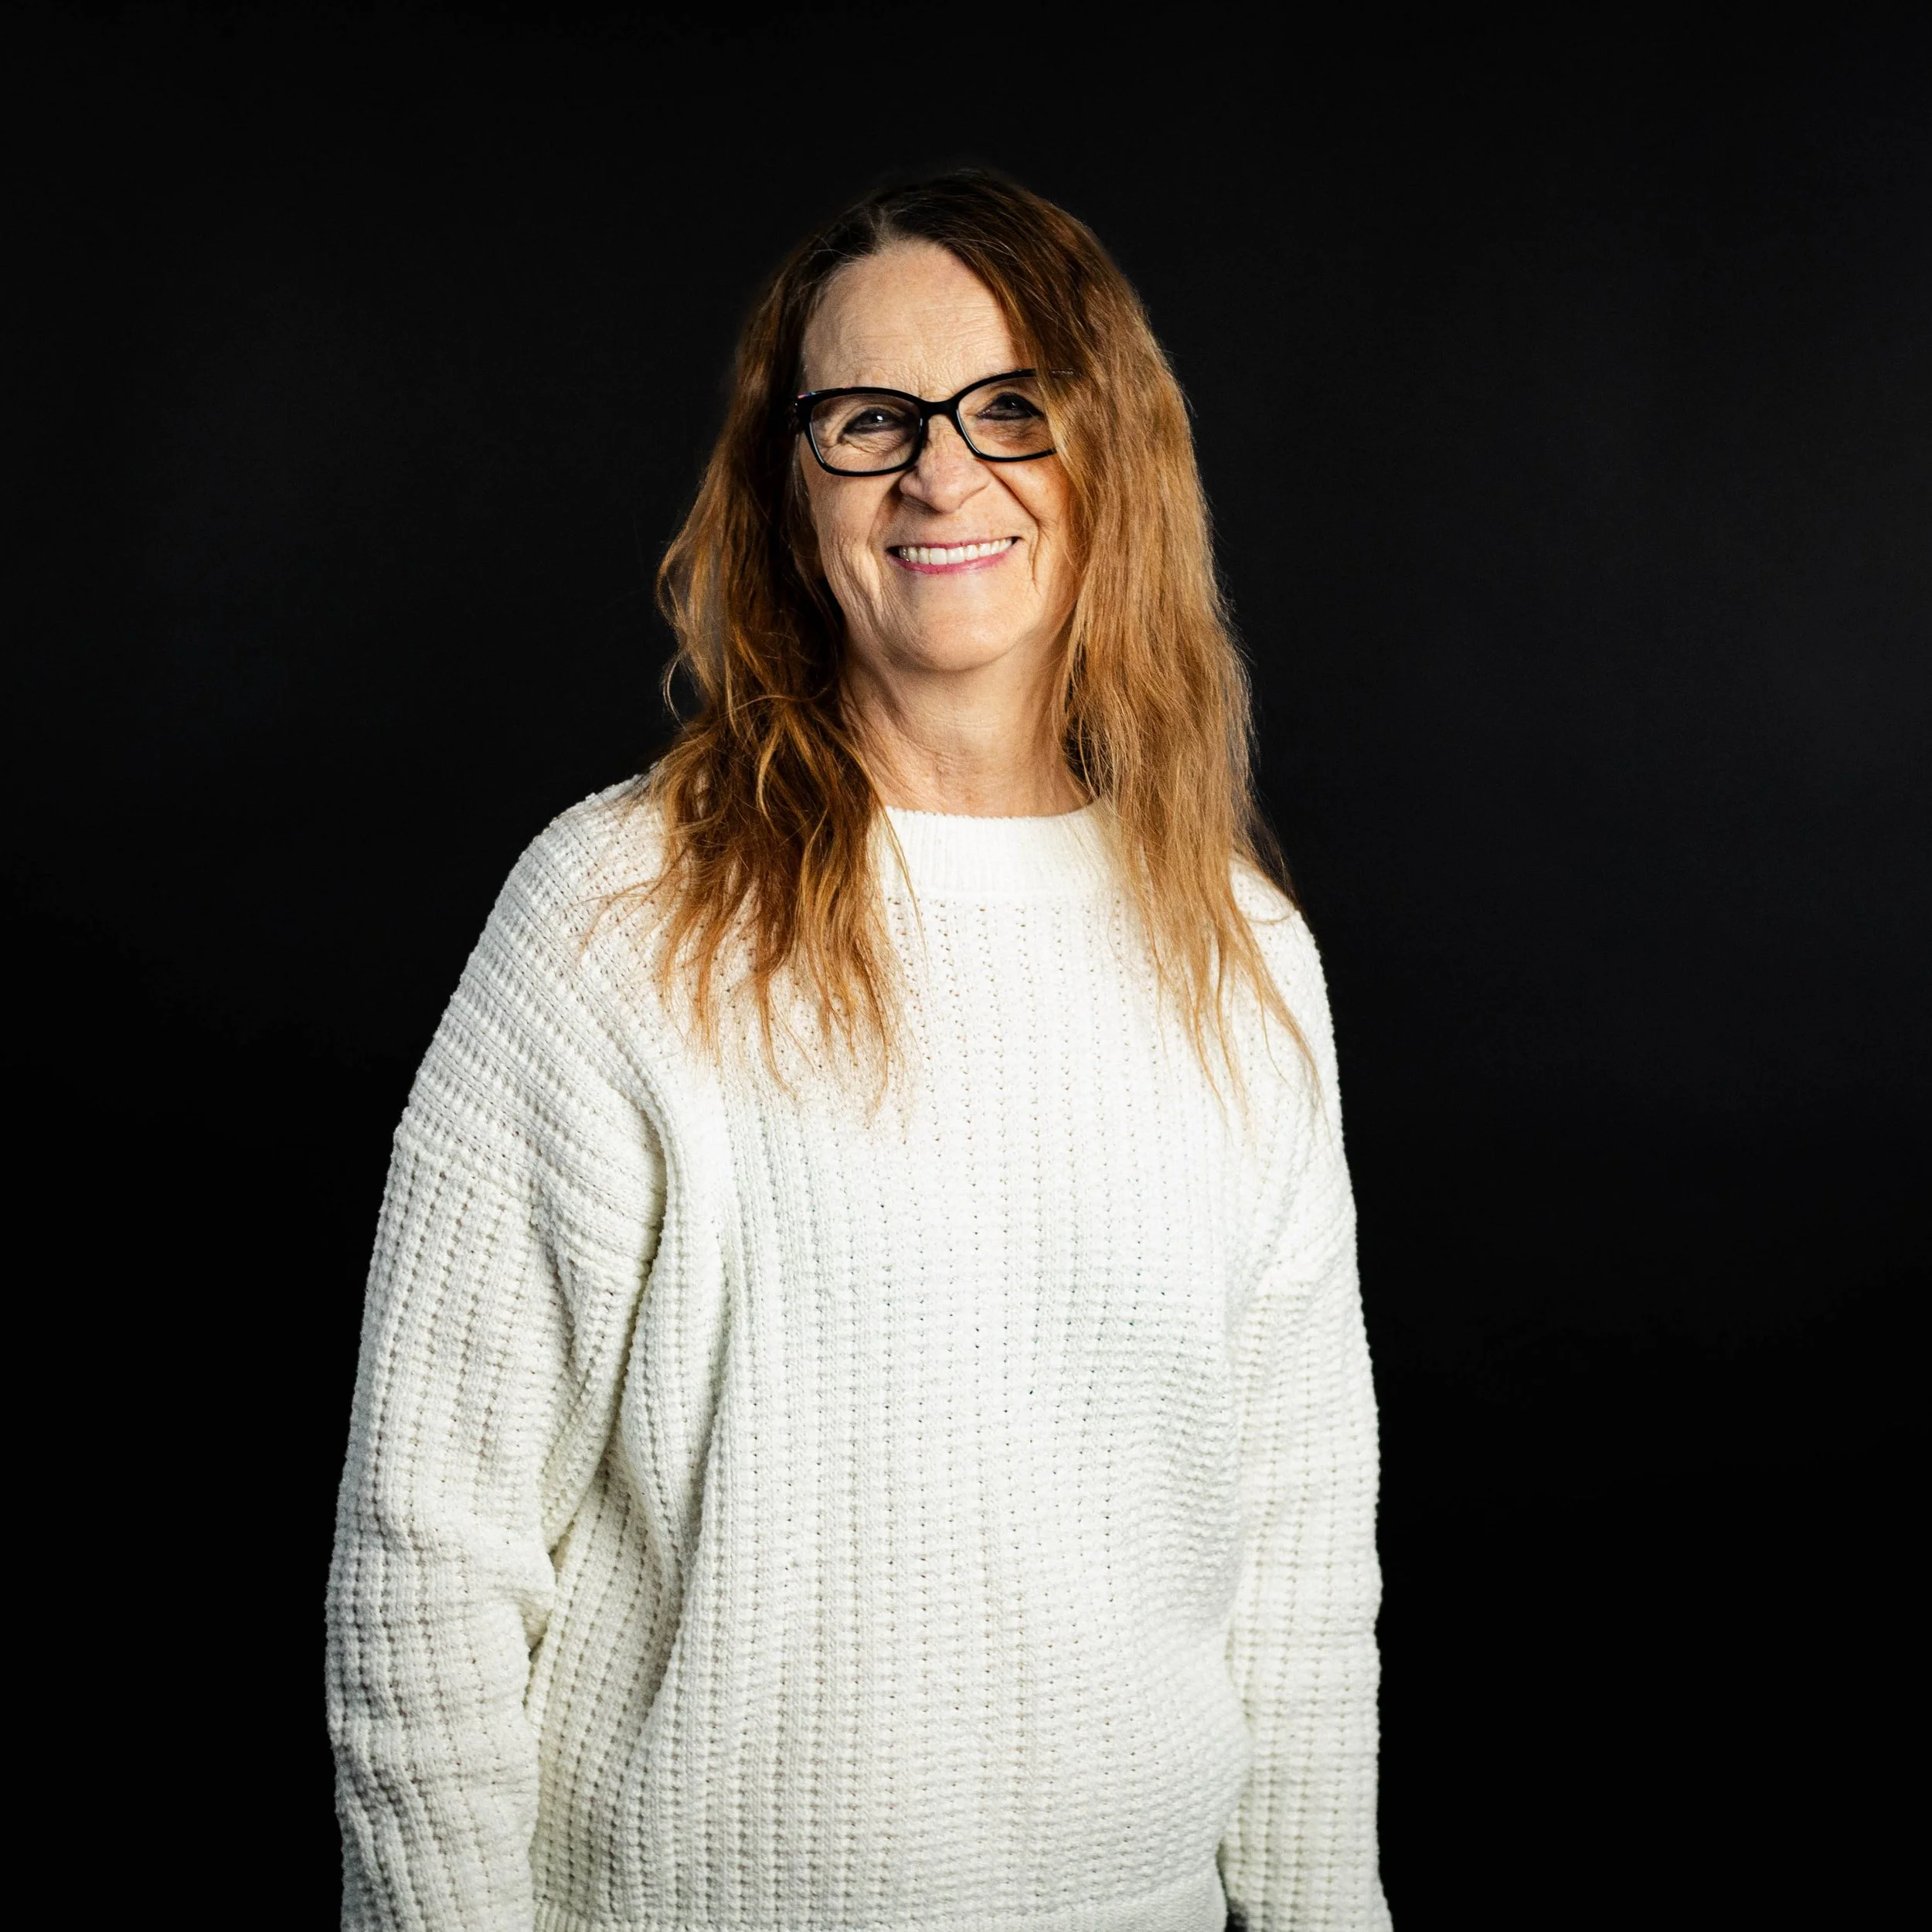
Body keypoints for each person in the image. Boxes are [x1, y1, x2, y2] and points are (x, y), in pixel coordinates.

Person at [327, 168, 1389, 1932]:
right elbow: (424, 1561)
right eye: (866, 418)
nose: (940, 472)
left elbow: (1291, 1569)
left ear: (1107, 454)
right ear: (786, 484)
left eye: (1011, 407)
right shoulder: (619, 909)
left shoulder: (1245, 954)